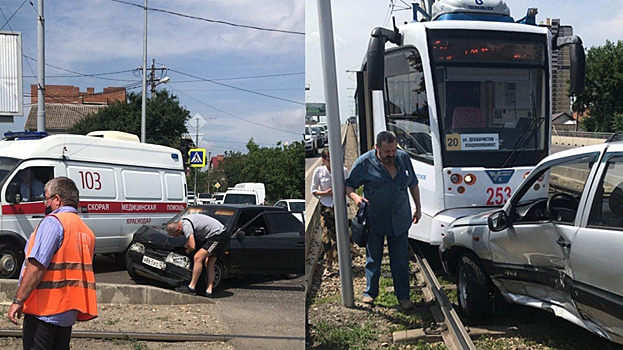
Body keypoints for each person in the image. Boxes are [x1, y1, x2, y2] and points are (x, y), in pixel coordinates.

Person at [8, 177, 98, 350]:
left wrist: (18, 300)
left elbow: (37, 267)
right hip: (68, 313)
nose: (44, 204)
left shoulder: (53, 223)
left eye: (46, 198)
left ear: (57, 200)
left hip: (44, 310)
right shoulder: (86, 233)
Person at [345, 131, 421, 310]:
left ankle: (403, 296)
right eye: (387, 151)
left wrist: (418, 207)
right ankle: (370, 293)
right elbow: (349, 185)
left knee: (401, 260)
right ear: (377, 148)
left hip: (400, 220)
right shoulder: (365, 163)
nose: (392, 154)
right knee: (374, 258)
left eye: (394, 150)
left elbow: (413, 183)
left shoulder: (403, 159)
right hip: (375, 221)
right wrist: (356, 198)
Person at [167, 213, 227, 297]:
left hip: (218, 235)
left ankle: (191, 288)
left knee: (198, 258)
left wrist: (187, 250)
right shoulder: (184, 222)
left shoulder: (186, 226)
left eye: (176, 235)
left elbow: (192, 246)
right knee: (209, 263)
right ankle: (209, 291)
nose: (178, 237)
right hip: (213, 235)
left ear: (178, 229)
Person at [311, 149, 349, 277]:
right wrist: (325, 193)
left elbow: (349, 189)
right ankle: (329, 265)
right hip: (326, 208)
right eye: (328, 159)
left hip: (339, 207)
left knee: (341, 236)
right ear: (323, 160)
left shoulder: (343, 171)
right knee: (326, 238)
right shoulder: (319, 172)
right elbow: (314, 190)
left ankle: (345, 262)